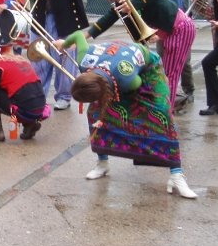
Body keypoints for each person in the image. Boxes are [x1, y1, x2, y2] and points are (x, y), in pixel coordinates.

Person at [56, 31, 197, 198]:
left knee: (162, 116)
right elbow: (79, 36)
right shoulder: (84, 61)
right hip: (110, 70)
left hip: (146, 70)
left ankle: (176, 173)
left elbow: (135, 85)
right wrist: (63, 44)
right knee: (96, 114)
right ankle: (102, 163)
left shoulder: (127, 78)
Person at [86, 0, 196, 111]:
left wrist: (132, 3)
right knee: (163, 73)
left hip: (180, 28)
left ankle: (165, 113)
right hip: (167, 30)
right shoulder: (122, 0)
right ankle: (161, 108)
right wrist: (87, 35)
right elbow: (109, 18)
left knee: (171, 74)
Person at [24, 0, 88, 110]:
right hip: (41, 17)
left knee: (64, 58)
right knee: (38, 60)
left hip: (66, 18)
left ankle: (64, 96)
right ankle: (38, 95)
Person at [154, 0, 195, 110]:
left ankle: (189, 91)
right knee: (164, 59)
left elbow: (176, 10)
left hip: (179, 27)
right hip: (162, 27)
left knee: (184, 62)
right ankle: (169, 90)